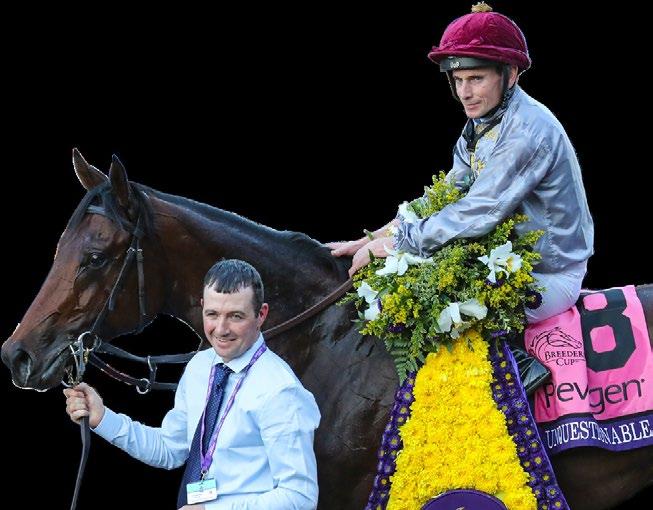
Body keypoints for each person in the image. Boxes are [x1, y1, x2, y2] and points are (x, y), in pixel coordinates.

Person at [328, 3, 594, 392]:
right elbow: (446, 193)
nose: (464, 93)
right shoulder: (482, 123)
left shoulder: (527, 131)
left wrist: (398, 245)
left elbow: (477, 212)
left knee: (435, 297)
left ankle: (519, 368)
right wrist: (376, 236)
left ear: (510, 74)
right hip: (508, 253)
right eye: (457, 80)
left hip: (548, 274)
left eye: (476, 79)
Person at [64, 259, 320, 510]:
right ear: (202, 307)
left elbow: (300, 496)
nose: (221, 329)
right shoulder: (201, 365)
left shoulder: (281, 391)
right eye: (212, 314)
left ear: (261, 314)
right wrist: (103, 419)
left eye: (236, 316)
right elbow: (169, 449)